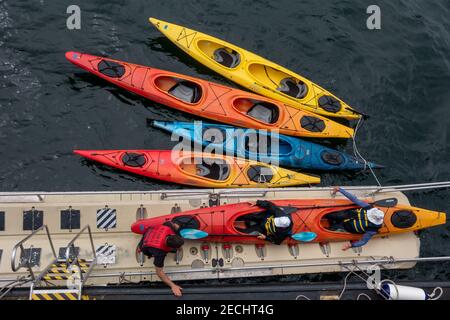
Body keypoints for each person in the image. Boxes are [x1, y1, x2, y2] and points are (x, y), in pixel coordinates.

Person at [137, 221, 185, 297]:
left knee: (176, 227)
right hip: (145, 245)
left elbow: (172, 223)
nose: (180, 248)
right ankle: (140, 249)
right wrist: (173, 286)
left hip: (149, 231)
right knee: (144, 249)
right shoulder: (160, 253)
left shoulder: (168, 226)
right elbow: (159, 272)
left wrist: (177, 226)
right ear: (170, 248)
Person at [330, 187, 385, 251]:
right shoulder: (369, 208)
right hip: (345, 215)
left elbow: (363, 241)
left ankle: (331, 226)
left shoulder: (372, 229)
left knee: (331, 228)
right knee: (331, 215)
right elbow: (354, 199)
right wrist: (340, 190)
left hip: (345, 227)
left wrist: (351, 245)